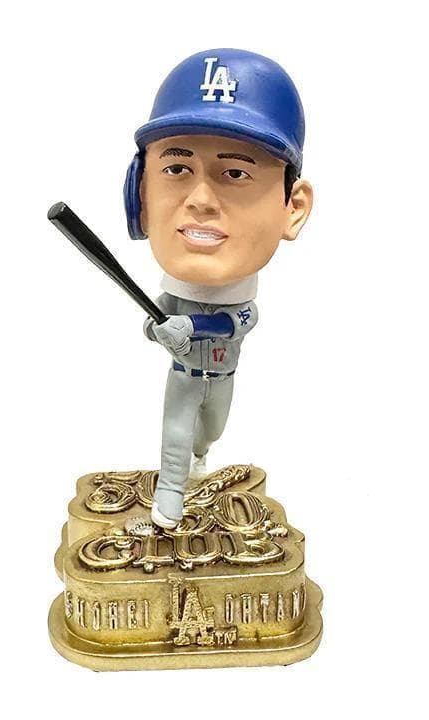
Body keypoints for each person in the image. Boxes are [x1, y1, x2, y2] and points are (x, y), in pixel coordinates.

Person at [123, 49, 314, 528]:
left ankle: (200, 457)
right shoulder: (176, 292)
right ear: (141, 193)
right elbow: (159, 314)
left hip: (223, 374)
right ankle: (170, 492)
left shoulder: (241, 299)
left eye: (235, 174)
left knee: (211, 428)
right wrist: (157, 328)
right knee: (175, 429)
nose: (202, 200)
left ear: (292, 208)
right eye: (176, 169)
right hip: (184, 371)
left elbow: (237, 322)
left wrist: (188, 326)